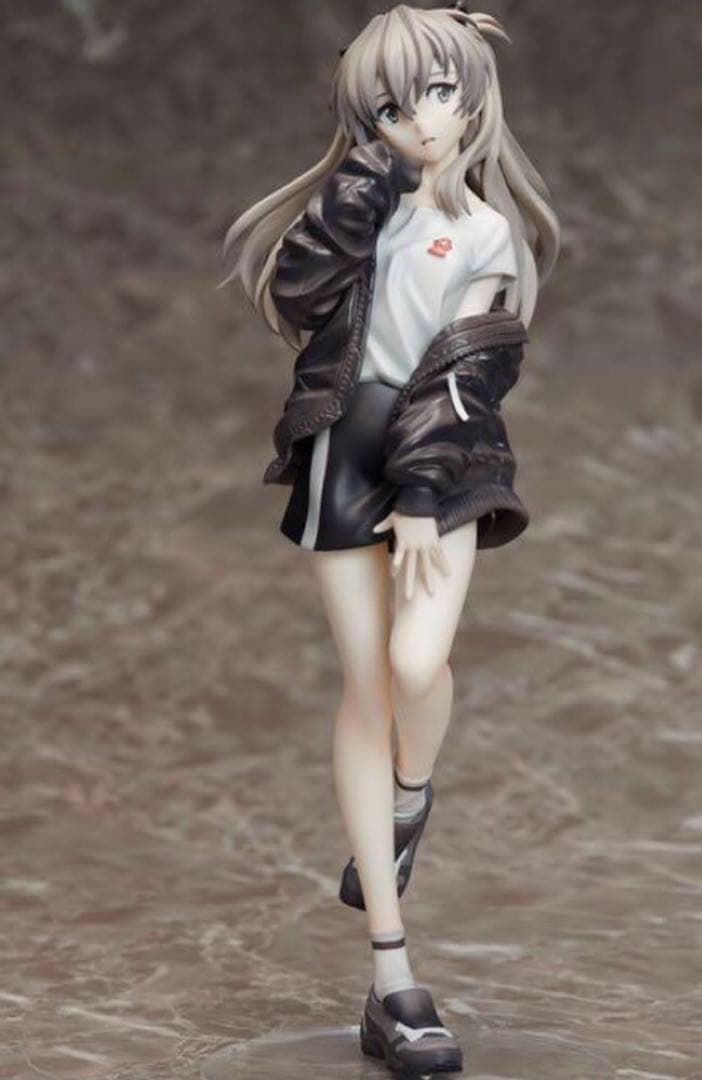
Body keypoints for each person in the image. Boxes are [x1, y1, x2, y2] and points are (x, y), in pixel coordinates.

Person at [222, 3, 559, 1073]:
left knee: (418, 664)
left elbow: (469, 372)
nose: (422, 118)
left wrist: (421, 491)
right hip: (342, 444)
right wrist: (363, 184)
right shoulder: (356, 206)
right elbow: (300, 295)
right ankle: (392, 978)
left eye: (439, 91)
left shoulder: (491, 235)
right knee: (367, 685)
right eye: (391, 105)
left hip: (443, 457)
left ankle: (412, 793)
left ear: (473, 94)